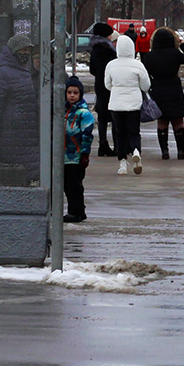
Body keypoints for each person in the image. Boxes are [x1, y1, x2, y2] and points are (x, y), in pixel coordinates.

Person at [0, 33, 40, 181]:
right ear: (13, 52)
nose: (25, 54)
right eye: (21, 51)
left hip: (27, 130)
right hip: (11, 131)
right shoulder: (4, 72)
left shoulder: (24, 70)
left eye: (27, 51)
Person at [144, 27, 184, 160]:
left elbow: (144, 72)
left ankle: (164, 151)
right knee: (178, 120)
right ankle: (181, 151)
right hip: (174, 88)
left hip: (157, 89)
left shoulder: (149, 56)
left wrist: (151, 83)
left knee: (162, 121)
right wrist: (182, 44)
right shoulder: (175, 53)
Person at [104, 35, 151, 175]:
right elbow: (146, 85)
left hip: (116, 104)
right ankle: (136, 151)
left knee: (120, 133)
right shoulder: (138, 65)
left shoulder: (111, 65)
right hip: (134, 103)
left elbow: (107, 85)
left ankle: (122, 164)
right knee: (134, 131)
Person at [63, 75, 96, 223]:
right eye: (69, 92)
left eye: (75, 93)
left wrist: (84, 153)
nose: (72, 96)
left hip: (76, 155)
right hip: (64, 155)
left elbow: (87, 135)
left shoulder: (83, 113)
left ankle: (75, 211)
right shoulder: (64, 111)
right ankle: (78, 210)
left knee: (74, 184)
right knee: (67, 184)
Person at [87, 22, 118, 156]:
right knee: (114, 114)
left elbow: (92, 69)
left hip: (99, 84)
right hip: (111, 84)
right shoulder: (109, 49)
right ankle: (117, 146)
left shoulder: (94, 49)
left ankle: (102, 144)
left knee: (102, 116)